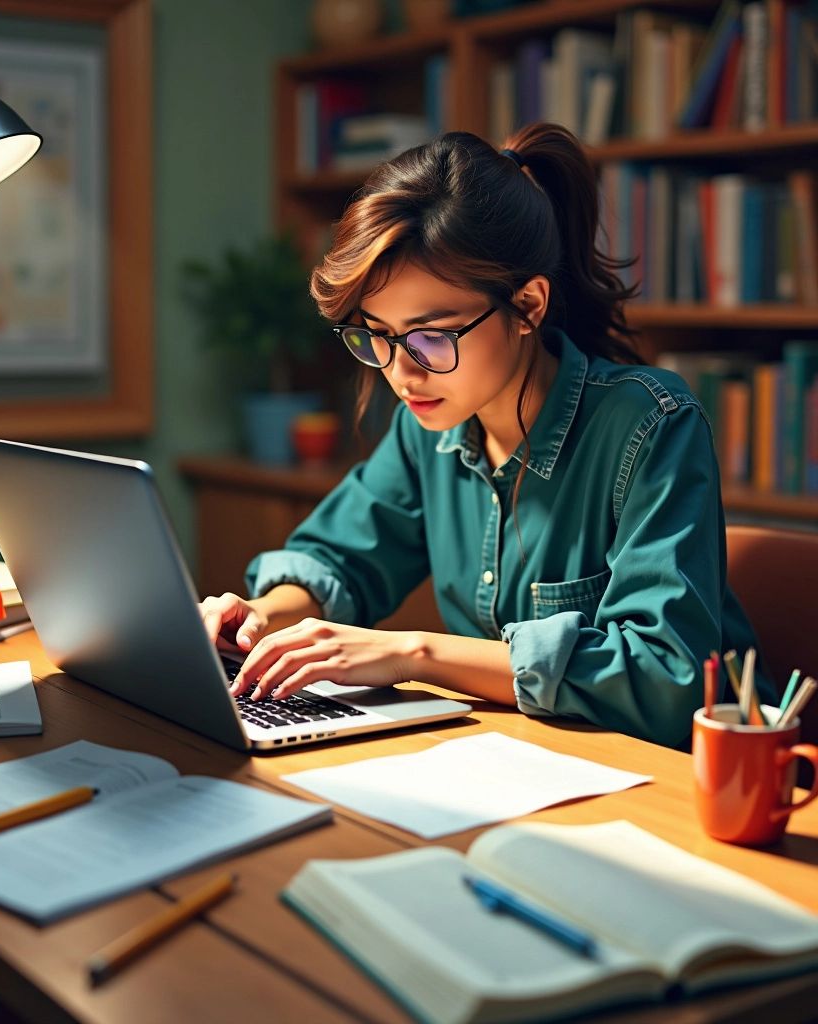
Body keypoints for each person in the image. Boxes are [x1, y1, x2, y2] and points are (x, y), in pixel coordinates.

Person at [199, 124, 772, 749]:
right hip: (537, 759)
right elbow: (338, 560)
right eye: (377, 337)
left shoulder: (652, 423)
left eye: (432, 336)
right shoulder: (429, 425)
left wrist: (414, 653)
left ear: (528, 306)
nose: (401, 372)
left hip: (695, 779)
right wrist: (263, 617)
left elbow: (666, 676)